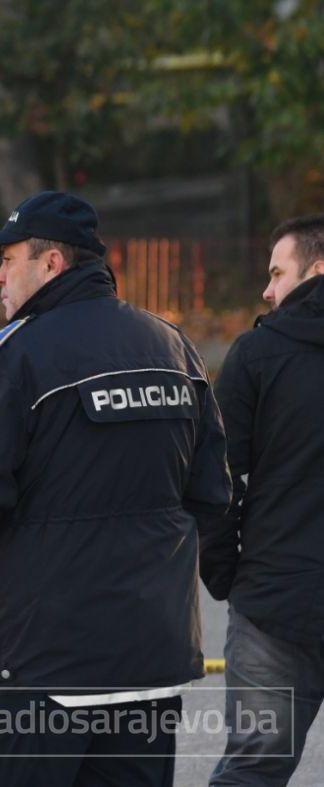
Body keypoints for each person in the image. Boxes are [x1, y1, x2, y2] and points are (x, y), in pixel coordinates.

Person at [0, 191, 230, 786]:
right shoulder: (173, 347)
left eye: (8, 259)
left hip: (40, 662)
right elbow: (210, 495)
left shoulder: (11, 358)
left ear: (51, 264)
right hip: (148, 653)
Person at [203, 215, 324, 785]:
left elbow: (215, 478)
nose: (267, 290)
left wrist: (228, 573)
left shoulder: (256, 354)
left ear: (317, 270)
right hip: (276, 597)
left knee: (253, 768)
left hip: (275, 603)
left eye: (277, 273)